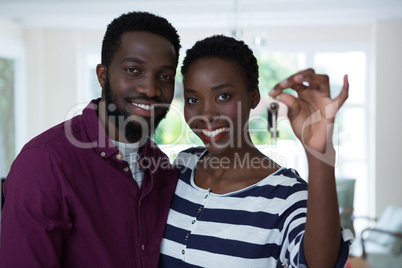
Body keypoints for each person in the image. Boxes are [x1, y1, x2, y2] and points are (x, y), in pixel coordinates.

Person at [0, 11, 181, 267]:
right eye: (133, 70)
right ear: (103, 75)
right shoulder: (45, 163)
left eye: (164, 76)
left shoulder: (161, 167)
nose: (150, 89)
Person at [159, 35, 353, 267]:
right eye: (192, 99)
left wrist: (319, 153)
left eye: (223, 96)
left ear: (253, 96)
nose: (206, 114)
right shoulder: (183, 165)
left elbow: (320, 264)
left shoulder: (287, 195)